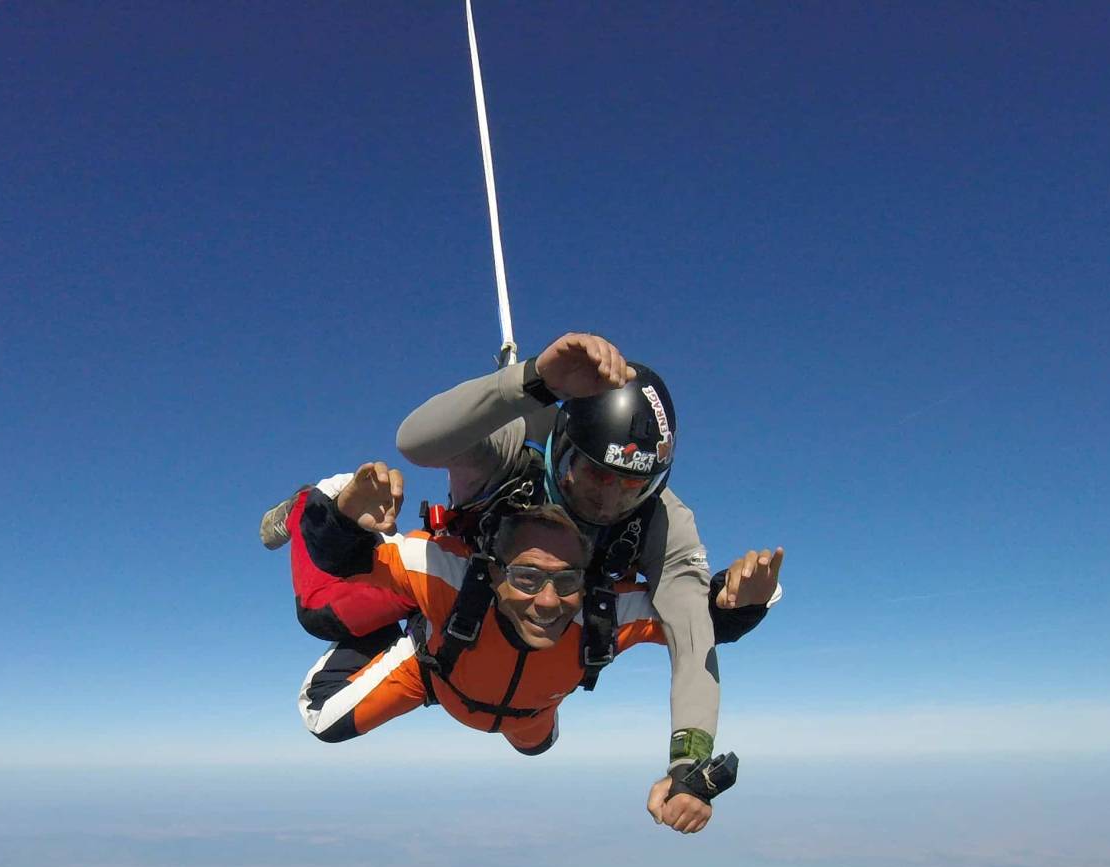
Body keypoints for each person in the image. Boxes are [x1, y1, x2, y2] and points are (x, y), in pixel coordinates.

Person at [294, 462, 780, 833]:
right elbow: (344, 561)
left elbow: (695, 626)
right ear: (494, 570)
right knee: (322, 715)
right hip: (431, 672)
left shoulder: (602, 614)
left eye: (566, 581)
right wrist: (340, 512)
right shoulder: (448, 573)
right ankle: (311, 517)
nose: (547, 601)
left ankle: (525, 696)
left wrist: (739, 602)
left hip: (531, 713)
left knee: (538, 746)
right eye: (526, 577)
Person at [394, 334, 766, 818]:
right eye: (599, 475)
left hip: (544, 666)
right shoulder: (514, 448)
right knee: (330, 635)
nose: (610, 500)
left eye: (633, 484)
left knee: (533, 742)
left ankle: (531, 719)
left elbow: (691, 635)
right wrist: (531, 380)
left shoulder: (663, 520)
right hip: (452, 620)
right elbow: (415, 442)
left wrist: (687, 763)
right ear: (565, 448)